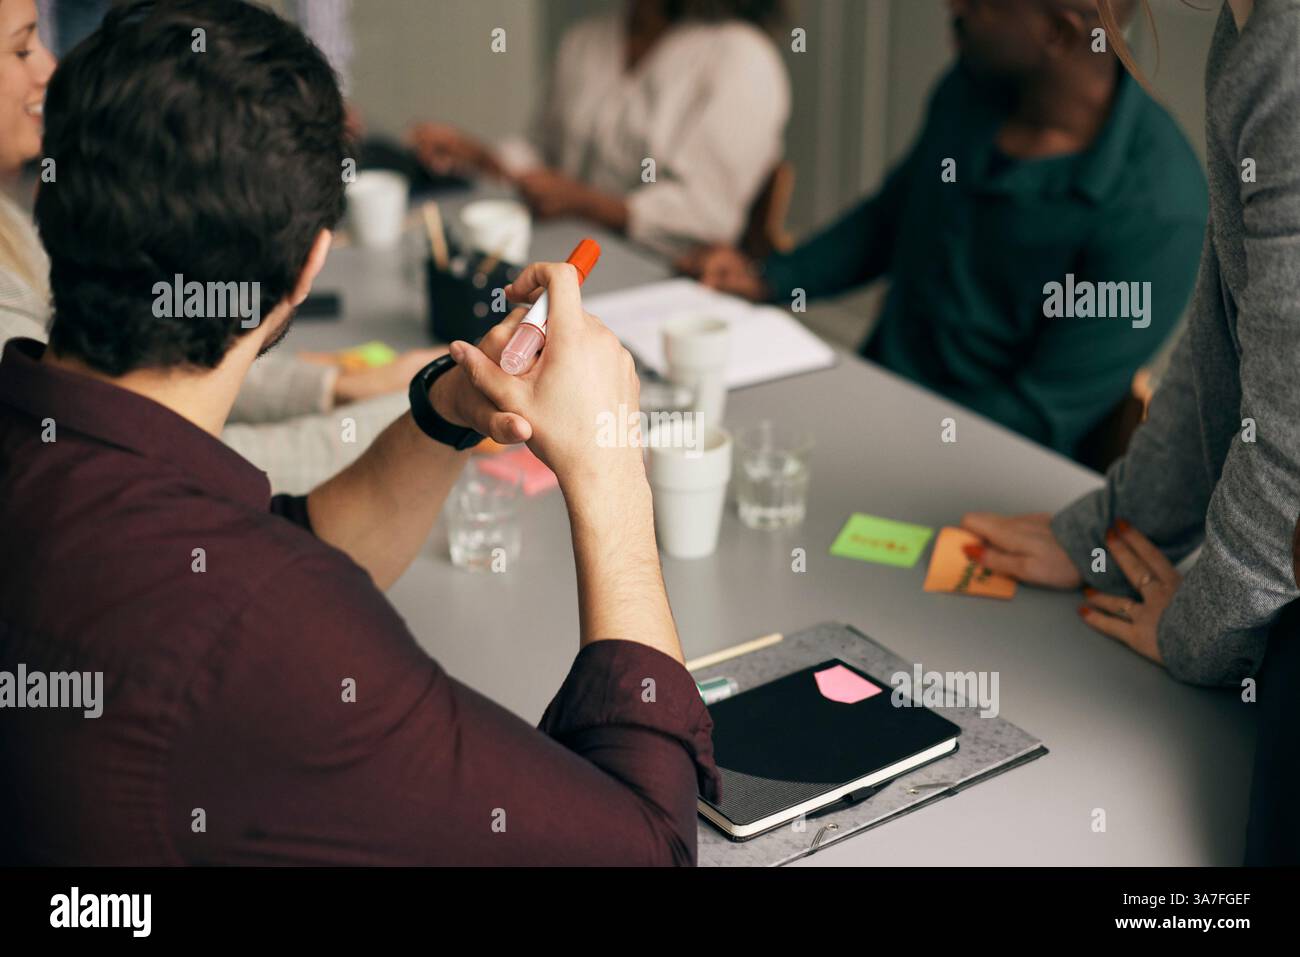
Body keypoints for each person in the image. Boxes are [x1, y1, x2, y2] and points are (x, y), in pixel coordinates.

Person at [0, 0, 716, 865]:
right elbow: (647, 849)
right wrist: (610, 474)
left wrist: (445, 409)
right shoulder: (270, 634)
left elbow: (283, 548)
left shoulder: (59, 458)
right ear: (307, 266)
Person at [682, 0, 1207, 461]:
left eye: (979, 1)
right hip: (870, 404)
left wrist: (868, 430)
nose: (951, 5)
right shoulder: (970, 90)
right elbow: (888, 221)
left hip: (983, 475)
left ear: (1060, 34)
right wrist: (771, 278)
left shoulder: (1160, 207)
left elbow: (1037, 412)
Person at [961, 0, 1298, 689]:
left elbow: (1291, 438)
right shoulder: (1247, 33)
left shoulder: (1287, 55)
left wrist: (1201, 634)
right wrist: (1107, 534)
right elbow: (1224, 342)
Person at [0, 0, 438, 493]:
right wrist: (430, 413)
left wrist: (338, 388)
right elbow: (156, 463)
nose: (48, 67)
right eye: (20, 49)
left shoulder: (15, 223)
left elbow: (154, 362)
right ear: (310, 261)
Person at [408, 0, 791, 255]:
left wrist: (586, 203)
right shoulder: (589, 38)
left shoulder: (740, 58)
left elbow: (708, 214)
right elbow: (544, 150)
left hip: (662, 277)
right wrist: (478, 156)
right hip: (563, 254)